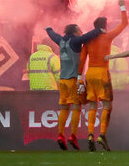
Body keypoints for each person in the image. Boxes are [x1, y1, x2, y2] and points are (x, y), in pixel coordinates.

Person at [45, 22, 106, 150]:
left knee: (64, 108)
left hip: (62, 80)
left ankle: (60, 135)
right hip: (73, 80)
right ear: (74, 32)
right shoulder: (76, 41)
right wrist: (99, 30)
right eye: (79, 30)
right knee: (76, 107)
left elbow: (53, 35)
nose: (81, 32)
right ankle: (73, 136)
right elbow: (88, 36)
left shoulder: (61, 40)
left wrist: (48, 28)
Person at [79, 0, 129, 151]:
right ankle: (102, 134)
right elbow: (124, 24)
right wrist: (122, 7)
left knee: (92, 106)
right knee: (107, 105)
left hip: (90, 73)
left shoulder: (87, 40)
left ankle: (89, 135)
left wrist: (79, 79)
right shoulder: (107, 37)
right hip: (102, 73)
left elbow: (82, 60)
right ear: (104, 26)